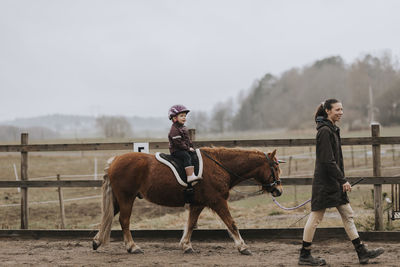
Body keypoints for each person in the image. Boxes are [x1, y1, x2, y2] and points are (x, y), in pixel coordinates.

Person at [298, 99, 384, 266]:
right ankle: (304, 255)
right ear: (328, 111)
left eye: (342, 109)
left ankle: (362, 252)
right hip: (325, 184)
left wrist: (340, 180)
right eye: (337, 109)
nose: (341, 112)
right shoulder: (324, 131)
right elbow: (327, 161)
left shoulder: (332, 129)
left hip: (334, 183)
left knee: (348, 214)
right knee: (316, 217)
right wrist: (342, 180)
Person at [168, 104, 202, 183]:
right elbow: (178, 143)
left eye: (185, 116)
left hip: (183, 148)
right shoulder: (174, 130)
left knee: (193, 155)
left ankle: (195, 172)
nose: (184, 118)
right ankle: (190, 176)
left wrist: (191, 146)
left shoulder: (183, 127)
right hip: (176, 150)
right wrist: (187, 148)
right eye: (181, 116)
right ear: (174, 118)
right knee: (186, 156)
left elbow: (187, 140)